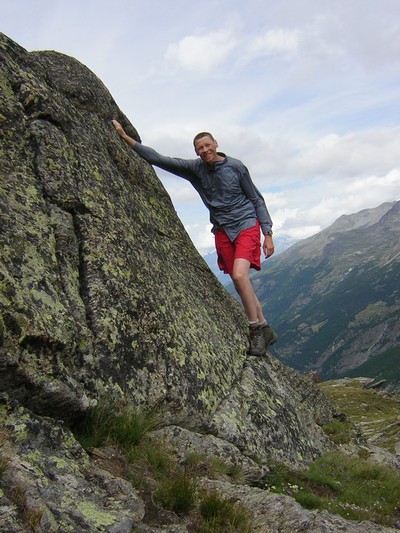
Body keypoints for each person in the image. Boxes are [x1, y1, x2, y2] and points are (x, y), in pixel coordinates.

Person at [111, 120, 277, 356]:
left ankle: (255, 331)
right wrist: (124, 136)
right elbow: (158, 159)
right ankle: (266, 328)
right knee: (239, 281)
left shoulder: (236, 167)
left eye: (208, 145)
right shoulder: (195, 169)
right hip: (222, 229)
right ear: (196, 152)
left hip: (246, 224)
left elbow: (256, 199)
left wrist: (267, 233)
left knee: (240, 276)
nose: (205, 150)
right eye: (200, 148)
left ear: (216, 144)